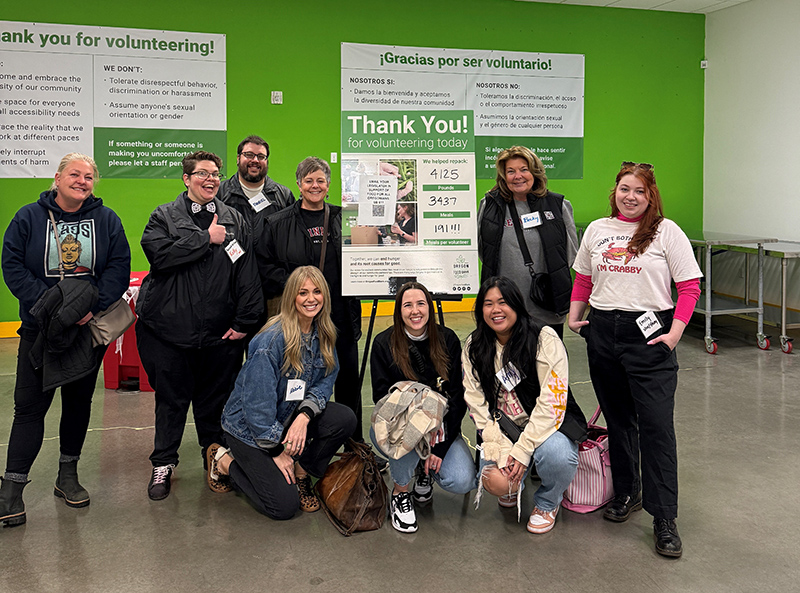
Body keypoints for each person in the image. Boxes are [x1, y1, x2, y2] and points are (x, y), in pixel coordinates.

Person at [568, 161, 701, 558]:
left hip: (651, 334)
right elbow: (584, 278)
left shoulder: (666, 231)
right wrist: (575, 316)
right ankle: (627, 492)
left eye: (640, 191)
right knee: (619, 419)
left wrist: (674, 334)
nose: (631, 197)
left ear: (651, 195)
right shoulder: (597, 230)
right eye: (625, 188)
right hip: (603, 331)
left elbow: (689, 286)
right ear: (615, 191)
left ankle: (664, 518)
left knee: (657, 425)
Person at [0, 153, 131, 526]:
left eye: (89, 177)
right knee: (29, 409)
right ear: (57, 178)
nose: (82, 181)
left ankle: (67, 475)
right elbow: (12, 265)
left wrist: (90, 308)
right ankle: (11, 492)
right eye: (75, 174)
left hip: (85, 334)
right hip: (38, 332)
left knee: (78, 405)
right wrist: (50, 306)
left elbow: (119, 266)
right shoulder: (28, 217)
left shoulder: (106, 221)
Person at [136, 150, 263, 501]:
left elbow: (247, 273)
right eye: (202, 173)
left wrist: (243, 322)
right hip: (168, 333)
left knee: (215, 403)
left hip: (220, 335)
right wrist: (205, 239)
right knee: (171, 402)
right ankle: (163, 463)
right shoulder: (164, 216)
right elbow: (159, 256)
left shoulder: (234, 218)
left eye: (215, 174)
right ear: (186, 179)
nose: (211, 179)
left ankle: (216, 459)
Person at [207, 266, 356, 519]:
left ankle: (301, 472)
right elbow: (256, 409)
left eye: (317, 291)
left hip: (286, 417)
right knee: (283, 507)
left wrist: (304, 416)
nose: (311, 299)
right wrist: (277, 451)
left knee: (344, 419)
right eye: (303, 293)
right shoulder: (271, 341)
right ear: (291, 298)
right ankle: (223, 461)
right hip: (249, 430)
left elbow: (325, 382)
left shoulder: (325, 333)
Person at [260, 157, 370, 455]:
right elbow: (265, 267)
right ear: (298, 184)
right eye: (308, 180)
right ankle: (297, 443)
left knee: (348, 382)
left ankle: (353, 445)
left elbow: (366, 254)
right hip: (300, 321)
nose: (315, 186)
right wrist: (298, 287)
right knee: (299, 382)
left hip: (341, 318)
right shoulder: (278, 223)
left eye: (320, 180)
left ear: (329, 184)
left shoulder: (344, 219)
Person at [462, 276, 586, 534]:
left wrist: (523, 449)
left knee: (558, 457)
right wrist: (500, 445)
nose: (496, 310)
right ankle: (513, 484)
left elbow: (552, 402)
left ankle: (547, 502)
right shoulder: (474, 345)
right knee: (494, 481)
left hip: (546, 426)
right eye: (488, 303)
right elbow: (474, 400)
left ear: (517, 305)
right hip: (503, 429)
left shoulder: (543, 338)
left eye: (503, 302)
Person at [369, 282, 475, 533]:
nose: (415, 311)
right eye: (407, 305)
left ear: (429, 307)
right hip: (398, 426)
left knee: (462, 479)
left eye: (421, 303)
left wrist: (440, 443)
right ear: (399, 310)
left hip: (441, 426)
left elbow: (458, 396)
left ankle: (423, 469)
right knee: (410, 435)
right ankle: (401, 490)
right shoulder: (383, 343)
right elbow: (380, 398)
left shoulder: (447, 339)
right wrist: (418, 424)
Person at [477, 146, 579, 338]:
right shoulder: (490, 205)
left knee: (546, 363)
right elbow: (484, 251)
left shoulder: (558, 205)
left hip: (546, 305)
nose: (518, 176)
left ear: (535, 172)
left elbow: (570, 253)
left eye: (524, 169)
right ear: (503, 176)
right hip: (504, 308)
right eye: (511, 171)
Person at [218, 135, 295, 322]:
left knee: (271, 348)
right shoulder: (220, 195)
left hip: (272, 292)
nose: (255, 160)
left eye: (261, 156)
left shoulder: (282, 196)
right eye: (249, 154)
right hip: (230, 290)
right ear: (238, 158)